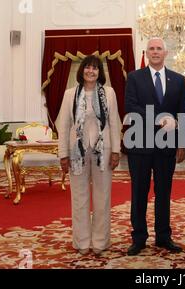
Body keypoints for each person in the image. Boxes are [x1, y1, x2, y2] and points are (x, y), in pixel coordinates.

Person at [124, 38, 185, 256]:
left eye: (158, 48)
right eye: (151, 49)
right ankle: (139, 238)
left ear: (166, 52)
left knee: (164, 193)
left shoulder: (178, 80)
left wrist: (182, 143)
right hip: (139, 145)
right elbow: (131, 106)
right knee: (139, 193)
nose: (155, 52)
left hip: (167, 147)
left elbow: (183, 113)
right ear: (146, 52)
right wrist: (158, 118)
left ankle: (163, 236)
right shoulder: (134, 77)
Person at [56, 55, 121, 256]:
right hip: (77, 153)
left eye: (95, 68)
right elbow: (64, 125)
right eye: (87, 68)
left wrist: (116, 151)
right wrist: (63, 154)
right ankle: (82, 241)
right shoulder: (70, 94)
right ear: (82, 71)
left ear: (99, 72)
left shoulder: (109, 93)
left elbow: (114, 122)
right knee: (80, 198)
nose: (91, 71)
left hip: (104, 151)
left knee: (102, 198)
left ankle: (100, 242)